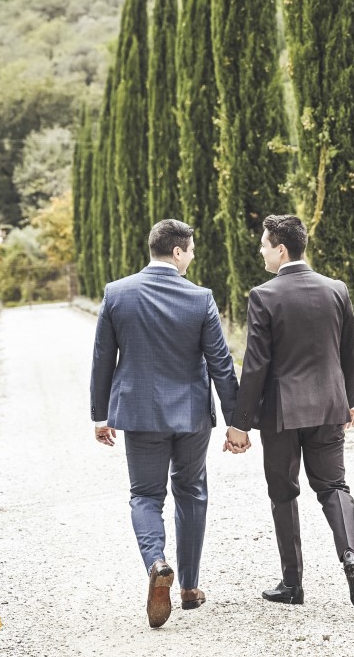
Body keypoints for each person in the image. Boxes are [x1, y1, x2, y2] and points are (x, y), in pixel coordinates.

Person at [91, 218, 239, 629]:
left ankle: (157, 564)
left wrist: (100, 415)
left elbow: (103, 358)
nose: (192, 257)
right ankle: (189, 588)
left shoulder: (117, 294)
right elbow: (221, 364)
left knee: (145, 496)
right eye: (190, 250)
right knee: (191, 492)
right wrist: (236, 422)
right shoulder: (201, 298)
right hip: (191, 416)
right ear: (177, 251)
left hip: (139, 415)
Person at [225, 214, 354, 613]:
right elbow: (351, 354)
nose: (261, 250)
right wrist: (349, 400)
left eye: (264, 244)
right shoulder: (336, 289)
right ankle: (349, 555)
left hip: (280, 414)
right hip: (328, 405)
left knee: (284, 493)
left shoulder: (264, 295)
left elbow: (256, 365)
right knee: (333, 486)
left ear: (281, 249)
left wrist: (239, 423)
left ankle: (293, 584)